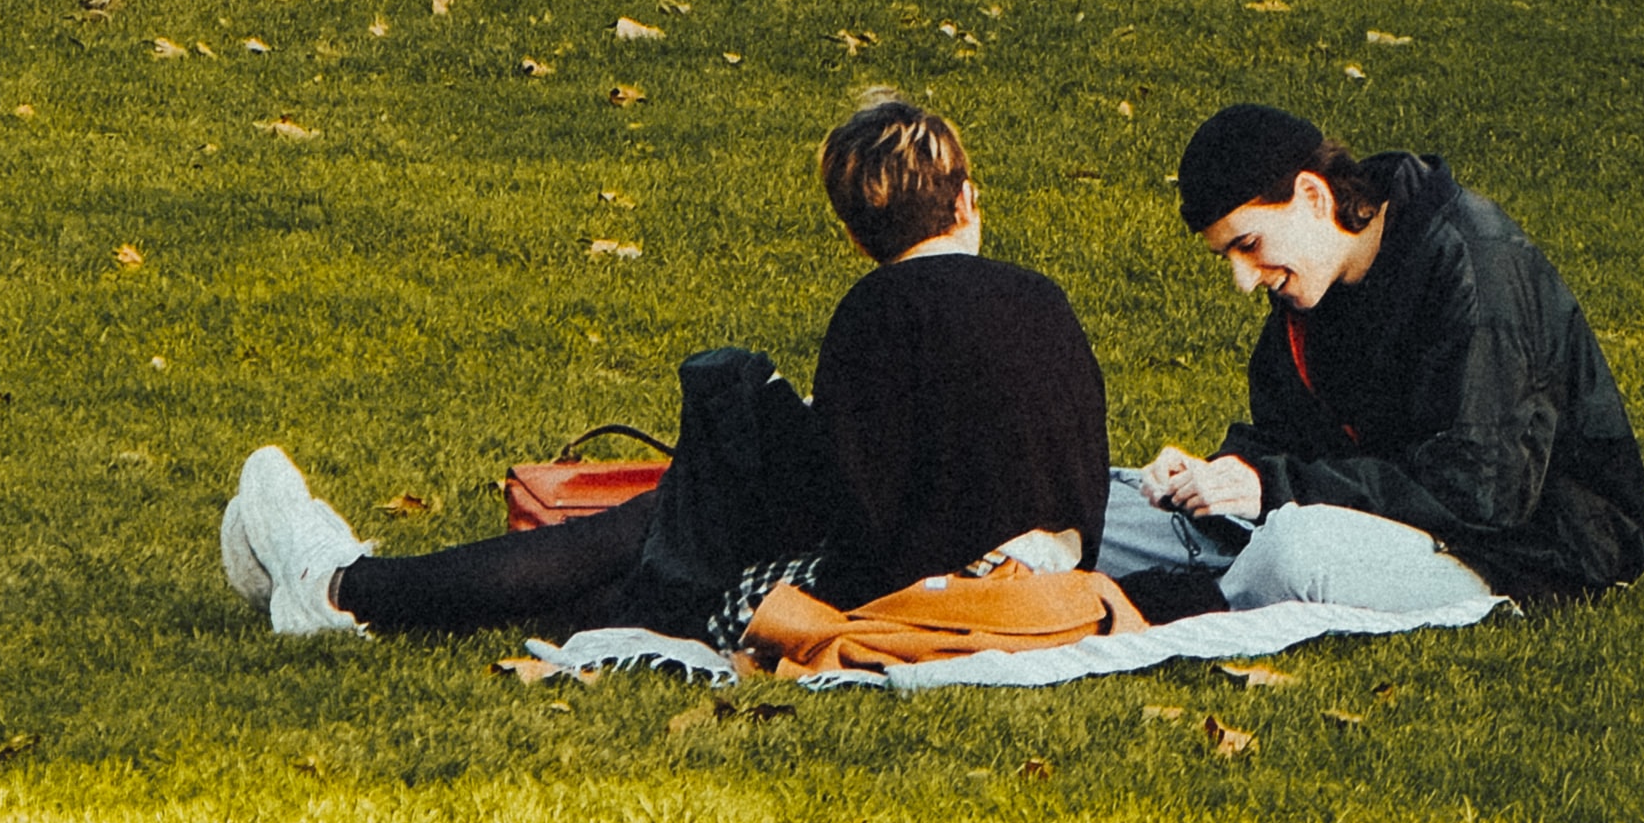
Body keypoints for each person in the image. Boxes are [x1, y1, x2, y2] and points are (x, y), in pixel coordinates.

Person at [216, 90, 1112, 645]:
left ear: (852, 232)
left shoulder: (878, 312)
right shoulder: (1047, 300)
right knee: (645, 543)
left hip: (909, 589)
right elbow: (1076, 489)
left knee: (648, 532)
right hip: (1045, 587)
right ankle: (344, 586)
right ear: (964, 198)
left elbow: (857, 502)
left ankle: (341, 587)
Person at [1102, 103, 1644, 620]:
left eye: (1248, 245)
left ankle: (1161, 606)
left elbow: (1483, 490)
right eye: (1227, 256)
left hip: (1523, 550)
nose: (1244, 280)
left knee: (1291, 553)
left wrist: (1273, 488)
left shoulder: (1475, 265)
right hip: (1375, 519)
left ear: (1313, 197)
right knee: (1105, 507)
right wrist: (1218, 473)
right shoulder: (1313, 279)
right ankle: (1115, 578)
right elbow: (1295, 439)